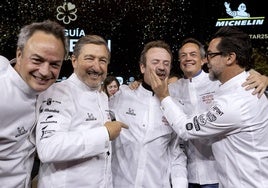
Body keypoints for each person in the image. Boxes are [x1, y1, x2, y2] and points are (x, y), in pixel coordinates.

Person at [150, 26, 268, 188]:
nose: (208, 60)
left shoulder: (235, 101)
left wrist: (164, 96)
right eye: (183, 55)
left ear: (229, 58)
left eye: (211, 55)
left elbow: (186, 128)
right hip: (207, 174)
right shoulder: (240, 86)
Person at [35, 35, 128, 188]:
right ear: (74, 60)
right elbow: (48, 148)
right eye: (90, 58)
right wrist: (104, 133)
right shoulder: (58, 93)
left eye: (102, 61)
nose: (97, 67)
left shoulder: (102, 96)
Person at [109, 40, 188, 188]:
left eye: (166, 63)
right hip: (119, 183)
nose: (161, 67)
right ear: (142, 67)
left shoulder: (175, 107)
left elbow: (176, 153)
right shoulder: (122, 95)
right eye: (155, 62)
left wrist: (180, 184)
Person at [0, 20, 68, 188]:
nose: (45, 72)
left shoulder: (48, 91)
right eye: (37, 60)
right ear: (19, 54)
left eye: (54, 64)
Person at [168, 38, 220, 188]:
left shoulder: (217, 83)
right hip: (187, 174)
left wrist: (262, 78)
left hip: (217, 172)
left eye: (193, 54)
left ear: (203, 59)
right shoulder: (172, 89)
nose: (188, 58)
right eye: (183, 55)